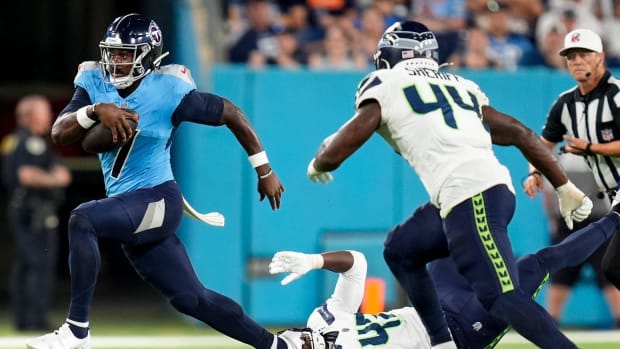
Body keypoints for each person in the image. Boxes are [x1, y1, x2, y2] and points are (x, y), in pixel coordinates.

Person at [305, 20, 593, 349]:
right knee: (400, 249)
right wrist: (563, 185)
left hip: (473, 195)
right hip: (470, 194)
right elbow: (520, 133)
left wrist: (321, 161)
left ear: (392, 55)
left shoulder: (385, 82)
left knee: (501, 297)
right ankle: (442, 342)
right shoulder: (462, 86)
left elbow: (355, 133)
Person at [26, 13, 286, 349]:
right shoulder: (94, 82)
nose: (116, 62)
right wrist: (93, 111)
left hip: (159, 200)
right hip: (130, 205)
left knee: (83, 219)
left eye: (125, 55)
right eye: (113, 53)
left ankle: (77, 331)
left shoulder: (169, 89)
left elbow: (231, 113)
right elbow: (59, 132)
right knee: (193, 299)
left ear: (148, 56)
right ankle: (278, 345)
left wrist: (264, 170)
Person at [268, 197, 620, 348]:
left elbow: (356, 265)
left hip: (432, 306)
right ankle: (616, 217)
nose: (295, 342)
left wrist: (315, 261)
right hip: (461, 335)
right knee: (539, 263)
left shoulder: (322, 319)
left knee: (452, 227)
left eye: (289, 339)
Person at [523, 28, 620, 290]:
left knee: (612, 266)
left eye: (584, 54)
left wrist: (591, 147)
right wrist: (534, 172)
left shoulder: (618, 96)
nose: (577, 61)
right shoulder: (565, 103)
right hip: (613, 195)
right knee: (613, 268)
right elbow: (541, 147)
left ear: (600, 56)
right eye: (571, 56)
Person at [0, 95, 72, 332]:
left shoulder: (39, 143)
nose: (50, 117)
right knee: (35, 263)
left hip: (38, 210)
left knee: (31, 264)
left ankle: (28, 318)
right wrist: (52, 179)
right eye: (45, 112)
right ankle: (32, 319)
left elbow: (62, 171)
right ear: (31, 116)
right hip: (29, 211)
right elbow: (25, 175)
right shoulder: (22, 142)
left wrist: (53, 176)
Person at [541, 153, 620, 326]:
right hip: (577, 221)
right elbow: (548, 192)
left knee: (607, 271)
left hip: (592, 220)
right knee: (562, 273)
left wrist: (553, 218)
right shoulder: (594, 157)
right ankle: (550, 321)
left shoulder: (558, 159)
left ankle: (550, 322)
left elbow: (548, 193)